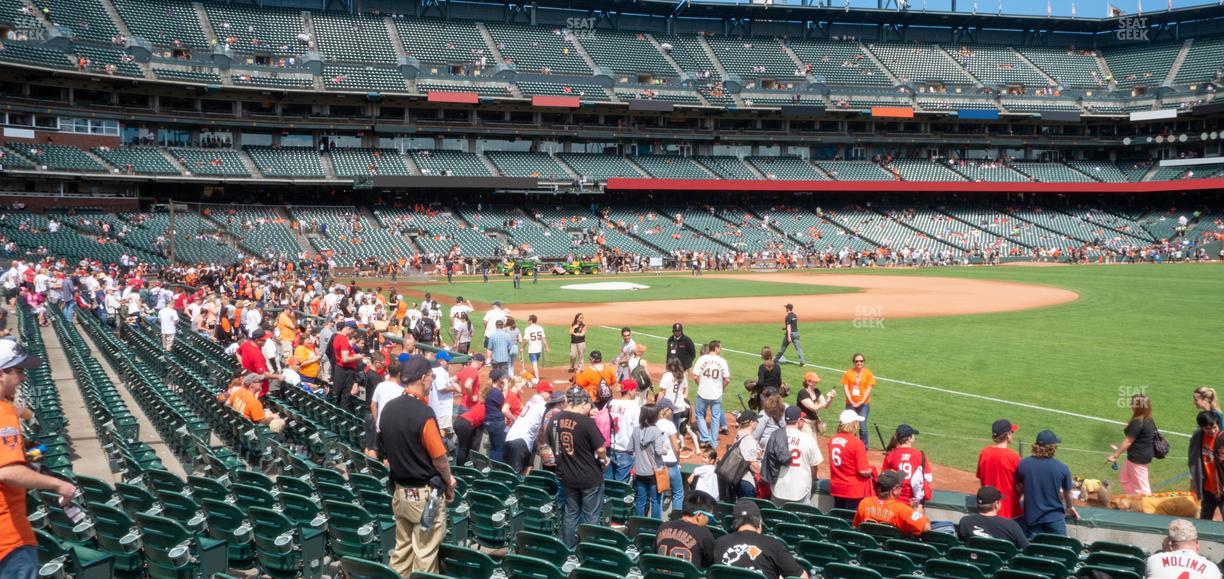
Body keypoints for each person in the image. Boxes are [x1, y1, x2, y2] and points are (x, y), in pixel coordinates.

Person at [0, 339, 77, 578]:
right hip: (8, 538)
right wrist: (60, 484)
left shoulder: (7, 408)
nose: (23, 378)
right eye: (18, 371)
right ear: (1, 373)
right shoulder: (3, 414)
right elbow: (7, 472)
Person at [378, 356, 456, 576]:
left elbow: (384, 451)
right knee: (424, 554)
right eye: (430, 377)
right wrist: (449, 483)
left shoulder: (389, 409)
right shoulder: (424, 413)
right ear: (423, 379)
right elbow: (440, 458)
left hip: (400, 492)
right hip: (424, 496)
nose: (431, 381)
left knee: (402, 551)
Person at [551, 386, 608, 548]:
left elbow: (548, 440)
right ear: (582, 404)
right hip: (589, 478)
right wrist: (604, 460)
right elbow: (601, 449)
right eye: (589, 405)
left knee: (570, 514)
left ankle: (569, 548)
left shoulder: (556, 419)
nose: (591, 408)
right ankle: (588, 551)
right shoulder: (587, 423)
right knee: (591, 517)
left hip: (568, 477)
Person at [714, 499, 808, 579]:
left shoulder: (719, 543)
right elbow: (802, 577)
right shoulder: (774, 545)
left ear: (734, 524)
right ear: (759, 522)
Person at [1015, 429, 1078, 537]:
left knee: (1034, 552)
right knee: (1058, 551)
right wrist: (1070, 507)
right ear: (1053, 448)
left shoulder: (1023, 465)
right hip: (1055, 520)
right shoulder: (1062, 467)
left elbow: (1019, 488)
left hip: (1032, 518)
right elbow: (1068, 493)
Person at [853, 470, 931, 537]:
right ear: (894, 490)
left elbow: (856, 527)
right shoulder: (902, 510)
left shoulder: (864, 503)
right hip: (892, 552)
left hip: (870, 550)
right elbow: (927, 527)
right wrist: (918, 513)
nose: (902, 488)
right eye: (900, 486)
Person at [772, 406, 822, 507]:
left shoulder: (775, 436)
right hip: (800, 491)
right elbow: (814, 466)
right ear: (799, 420)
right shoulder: (807, 439)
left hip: (777, 489)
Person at [1108, 393, 1156, 496]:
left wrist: (1115, 455)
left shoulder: (1138, 422)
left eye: (1132, 403)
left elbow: (1128, 441)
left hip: (1138, 458)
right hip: (1136, 456)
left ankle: (1145, 508)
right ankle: (1134, 499)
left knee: (1143, 489)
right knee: (1124, 479)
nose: (1131, 405)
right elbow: (1138, 438)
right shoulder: (1148, 419)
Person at [655, 491, 717, 568]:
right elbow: (711, 564)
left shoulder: (663, 527)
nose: (708, 521)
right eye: (710, 517)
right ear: (699, 515)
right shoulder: (704, 534)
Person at [1145, 519, 1222, 579]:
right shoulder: (1212, 568)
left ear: (1170, 545)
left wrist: (1165, 550)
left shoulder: (1154, 560)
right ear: (1197, 544)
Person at [956, 486, 1029, 548]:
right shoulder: (1011, 526)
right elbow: (1025, 548)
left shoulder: (965, 522)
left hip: (973, 562)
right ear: (996, 504)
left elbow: (960, 543)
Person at [978, 419, 1022, 520]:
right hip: (1009, 511)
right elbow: (1021, 485)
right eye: (1012, 432)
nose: (1012, 435)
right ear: (1007, 435)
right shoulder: (1013, 457)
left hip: (987, 509)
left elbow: (981, 479)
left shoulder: (984, 453)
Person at [828, 409, 872, 510]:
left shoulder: (832, 440)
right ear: (853, 424)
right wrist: (871, 470)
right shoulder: (856, 443)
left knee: (838, 517)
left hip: (836, 488)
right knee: (850, 520)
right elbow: (863, 471)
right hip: (853, 490)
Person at [505, 380, 552, 474]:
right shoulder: (542, 406)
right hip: (521, 441)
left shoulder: (533, 399)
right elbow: (548, 424)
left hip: (511, 437)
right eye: (549, 392)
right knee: (514, 476)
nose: (551, 394)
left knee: (510, 473)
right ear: (542, 392)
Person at [882, 424, 932, 507]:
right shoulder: (920, 454)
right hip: (913, 503)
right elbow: (928, 478)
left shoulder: (891, 455)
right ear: (909, 438)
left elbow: (884, 479)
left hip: (894, 502)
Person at [631, 404, 667, 518]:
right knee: (655, 501)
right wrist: (665, 449)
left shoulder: (636, 430)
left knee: (641, 500)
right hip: (654, 472)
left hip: (639, 471)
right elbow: (659, 451)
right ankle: (655, 527)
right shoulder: (657, 431)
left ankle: (638, 525)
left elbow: (630, 448)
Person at [693, 341, 730, 451]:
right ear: (716, 348)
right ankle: (713, 443)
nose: (721, 349)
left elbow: (695, 376)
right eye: (720, 347)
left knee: (699, 414)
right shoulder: (722, 361)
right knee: (715, 418)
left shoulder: (702, 359)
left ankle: (705, 438)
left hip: (703, 393)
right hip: (716, 394)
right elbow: (727, 379)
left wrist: (701, 385)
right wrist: (721, 388)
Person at [659, 356, 698, 458]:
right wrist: (683, 399)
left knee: (670, 429)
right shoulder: (682, 375)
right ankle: (676, 447)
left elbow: (662, 391)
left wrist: (658, 404)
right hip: (681, 407)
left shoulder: (667, 375)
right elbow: (685, 390)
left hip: (669, 408)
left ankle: (672, 450)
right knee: (675, 428)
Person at [1188, 411, 1224, 521]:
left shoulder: (1222, 438)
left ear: (1217, 423)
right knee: (1204, 521)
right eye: (1208, 429)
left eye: (1214, 427)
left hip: (1222, 489)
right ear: (1201, 427)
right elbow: (1193, 460)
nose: (1212, 431)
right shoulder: (1198, 437)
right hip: (1207, 489)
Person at [607, 379, 641, 482]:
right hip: (625, 450)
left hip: (608, 449)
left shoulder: (611, 403)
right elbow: (637, 430)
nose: (636, 392)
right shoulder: (634, 406)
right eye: (635, 390)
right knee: (621, 485)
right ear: (630, 391)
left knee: (608, 484)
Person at [654, 398, 684, 512]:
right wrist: (678, 460)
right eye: (671, 410)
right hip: (671, 463)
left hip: (657, 463)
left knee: (659, 492)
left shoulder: (652, 423)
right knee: (678, 492)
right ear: (665, 410)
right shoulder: (669, 424)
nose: (672, 412)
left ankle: (658, 520)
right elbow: (676, 447)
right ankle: (676, 519)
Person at [841, 353, 874, 446]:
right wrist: (850, 400)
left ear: (864, 362)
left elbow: (869, 388)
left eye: (861, 361)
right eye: (857, 361)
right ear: (853, 362)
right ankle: (851, 445)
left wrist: (862, 401)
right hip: (850, 404)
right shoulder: (848, 373)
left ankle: (864, 447)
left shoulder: (868, 373)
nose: (859, 363)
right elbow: (845, 387)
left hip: (864, 404)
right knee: (850, 426)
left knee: (862, 426)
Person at [796, 371, 834, 444]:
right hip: (804, 422)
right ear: (808, 382)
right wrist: (824, 402)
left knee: (814, 444)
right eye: (814, 381)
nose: (816, 382)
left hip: (813, 422)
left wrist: (830, 398)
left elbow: (826, 406)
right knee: (809, 444)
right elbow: (813, 407)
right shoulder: (803, 393)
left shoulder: (816, 391)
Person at [484, 369, 511, 462]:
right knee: (500, 448)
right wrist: (506, 386)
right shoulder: (495, 392)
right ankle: (498, 469)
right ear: (499, 379)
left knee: (494, 447)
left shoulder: (490, 390)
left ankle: (492, 467)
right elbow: (504, 401)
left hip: (490, 422)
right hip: (496, 422)